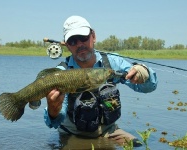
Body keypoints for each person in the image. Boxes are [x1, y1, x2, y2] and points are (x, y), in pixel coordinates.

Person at [30, 15, 158, 147]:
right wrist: (53, 110)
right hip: (72, 133)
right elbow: (53, 123)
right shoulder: (61, 73)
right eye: (73, 41)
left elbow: (149, 87)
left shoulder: (112, 62)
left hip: (109, 131)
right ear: (67, 45)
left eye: (83, 38)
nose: (80, 44)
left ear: (93, 36)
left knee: (138, 146)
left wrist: (145, 73)